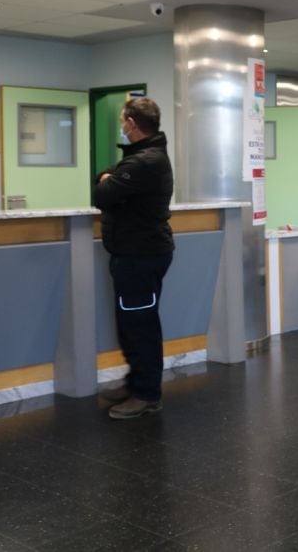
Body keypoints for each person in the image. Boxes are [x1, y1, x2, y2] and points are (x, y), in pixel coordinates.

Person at [94, 97, 174, 420]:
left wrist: (107, 180)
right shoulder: (142, 158)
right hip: (134, 254)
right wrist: (108, 179)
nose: (121, 126)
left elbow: (102, 193)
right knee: (131, 324)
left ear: (132, 124)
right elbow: (108, 180)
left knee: (140, 325)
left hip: (141, 255)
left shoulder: (145, 162)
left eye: (124, 120)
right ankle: (136, 382)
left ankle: (146, 394)